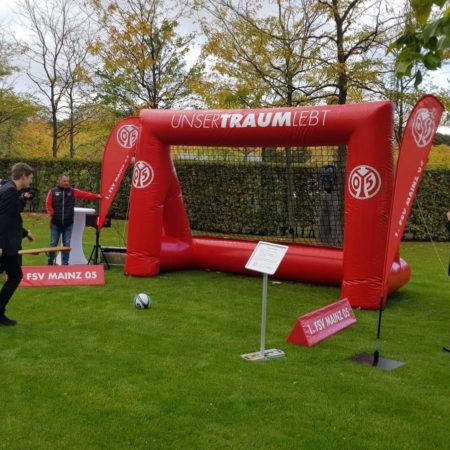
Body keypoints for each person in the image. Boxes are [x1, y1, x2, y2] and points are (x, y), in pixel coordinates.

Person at [0, 163, 35, 326]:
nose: (31, 181)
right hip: (6, 244)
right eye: (30, 177)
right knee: (15, 276)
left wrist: (25, 232)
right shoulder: (9, 191)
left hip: (8, 242)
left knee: (14, 275)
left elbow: (12, 218)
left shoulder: (9, 189)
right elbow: (4, 220)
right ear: (23, 176)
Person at [46, 173, 101, 265]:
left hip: (68, 224)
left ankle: (65, 264)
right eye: (64, 181)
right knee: (53, 243)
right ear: (59, 181)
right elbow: (48, 204)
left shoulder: (73, 191)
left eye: (68, 181)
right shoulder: (52, 191)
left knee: (67, 245)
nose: (66, 183)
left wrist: (97, 196)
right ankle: (50, 262)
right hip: (55, 223)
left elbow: (86, 195)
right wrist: (52, 213)